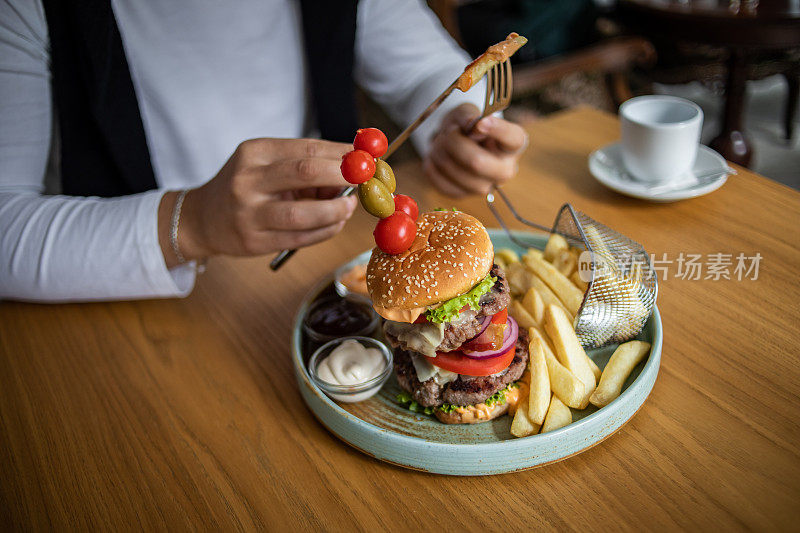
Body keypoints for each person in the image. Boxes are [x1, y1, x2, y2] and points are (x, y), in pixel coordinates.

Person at [0, 0, 527, 302]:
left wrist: (463, 126)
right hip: (117, 303)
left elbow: (424, 72)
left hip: (307, 277)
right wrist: (190, 223)